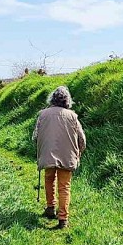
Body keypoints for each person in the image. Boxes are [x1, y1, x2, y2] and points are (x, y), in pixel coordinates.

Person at [32, 86, 86, 229]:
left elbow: (35, 136)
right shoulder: (72, 116)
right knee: (64, 187)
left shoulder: (42, 115)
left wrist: (41, 148)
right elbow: (82, 139)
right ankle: (63, 219)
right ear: (67, 101)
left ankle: (50, 208)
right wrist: (78, 153)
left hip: (48, 154)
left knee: (49, 180)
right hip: (67, 156)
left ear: (52, 99)